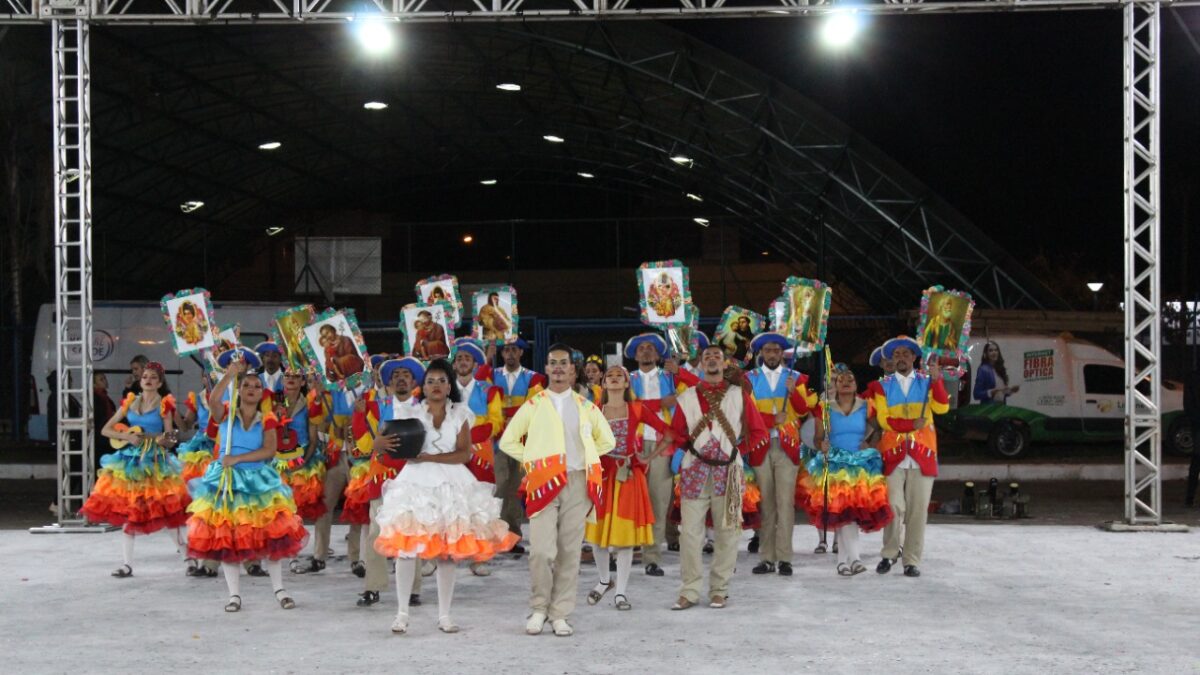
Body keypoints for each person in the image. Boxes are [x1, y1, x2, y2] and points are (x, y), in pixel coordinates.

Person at [375, 359, 519, 634]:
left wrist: (431, 457)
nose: (436, 385)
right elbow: (388, 443)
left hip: (453, 483)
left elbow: (465, 453)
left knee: (447, 553)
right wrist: (377, 443)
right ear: (423, 386)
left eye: (442, 380)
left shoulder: (461, 413)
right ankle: (401, 614)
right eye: (430, 381)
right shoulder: (411, 410)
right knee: (407, 551)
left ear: (449, 384)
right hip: (415, 485)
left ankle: (444, 615)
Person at [499, 343, 616, 637]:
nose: (559, 368)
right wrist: (533, 460)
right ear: (547, 369)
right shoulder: (534, 404)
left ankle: (560, 613)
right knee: (541, 551)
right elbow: (507, 441)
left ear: (573, 370)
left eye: (565, 363)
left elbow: (608, 441)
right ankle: (539, 608)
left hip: (578, 482)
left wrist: (588, 458)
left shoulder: (586, 406)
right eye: (554, 363)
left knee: (569, 551)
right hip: (543, 483)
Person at [186, 348, 308, 612]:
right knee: (229, 537)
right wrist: (229, 376)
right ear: (240, 390)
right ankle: (234, 595)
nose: (252, 388)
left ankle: (280, 590)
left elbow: (269, 451)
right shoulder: (227, 413)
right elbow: (214, 399)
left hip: (259, 481)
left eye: (256, 385)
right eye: (247, 385)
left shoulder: (268, 418)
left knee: (270, 538)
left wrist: (237, 460)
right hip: (227, 480)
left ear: (262, 391)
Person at [668, 342, 769, 610]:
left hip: (730, 471)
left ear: (724, 364)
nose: (712, 359)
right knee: (689, 533)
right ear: (701, 364)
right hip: (693, 471)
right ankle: (689, 591)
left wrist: (736, 451)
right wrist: (688, 452)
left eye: (717, 356)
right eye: (707, 356)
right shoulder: (687, 397)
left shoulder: (739, 395)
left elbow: (759, 432)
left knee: (728, 532)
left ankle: (719, 590)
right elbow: (677, 433)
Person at [81, 361, 188, 577]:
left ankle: (188, 558)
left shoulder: (165, 404)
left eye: (153, 377)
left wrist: (158, 439)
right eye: (145, 376)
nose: (148, 379)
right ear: (140, 381)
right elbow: (105, 430)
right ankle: (127, 564)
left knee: (166, 512)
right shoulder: (130, 402)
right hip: (129, 461)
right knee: (129, 511)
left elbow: (170, 438)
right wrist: (127, 436)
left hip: (154, 462)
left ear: (159, 383)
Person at [586, 365, 670, 611]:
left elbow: (667, 433)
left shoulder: (636, 408)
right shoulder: (593, 411)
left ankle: (620, 592)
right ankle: (604, 581)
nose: (613, 378)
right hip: (601, 476)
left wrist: (648, 456)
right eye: (609, 375)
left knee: (624, 539)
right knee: (596, 535)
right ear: (603, 382)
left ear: (625, 383)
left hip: (627, 477)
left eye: (618, 376)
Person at [349, 357, 426, 608]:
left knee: (411, 533)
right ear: (390, 382)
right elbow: (360, 445)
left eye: (406, 374)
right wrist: (366, 428)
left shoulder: (425, 408)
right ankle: (373, 587)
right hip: (382, 479)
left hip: (414, 480)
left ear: (414, 381)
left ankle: (413, 589)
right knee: (375, 535)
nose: (401, 378)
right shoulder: (373, 407)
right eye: (396, 375)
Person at [802, 364, 892, 575]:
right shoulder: (825, 409)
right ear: (835, 384)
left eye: (850, 379)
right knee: (843, 514)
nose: (845, 382)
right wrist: (820, 445)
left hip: (860, 466)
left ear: (856, 385)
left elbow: (878, 430)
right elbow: (816, 438)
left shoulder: (867, 406)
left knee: (849, 515)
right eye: (841, 380)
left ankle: (844, 562)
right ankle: (854, 560)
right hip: (835, 464)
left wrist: (870, 444)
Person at [872, 336, 949, 578]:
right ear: (891, 359)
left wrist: (937, 381)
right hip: (893, 453)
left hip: (923, 452)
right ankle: (889, 553)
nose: (901, 358)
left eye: (906, 354)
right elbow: (884, 419)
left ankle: (912, 560)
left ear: (915, 358)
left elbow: (942, 407)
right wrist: (910, 424)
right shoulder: (881, 386)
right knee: (894, 506)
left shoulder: (928, 382)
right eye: (897, 355)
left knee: (918, 510)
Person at [626, 332, 699, 576]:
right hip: (632, 446)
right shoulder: (626, 378)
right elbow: (621, 404)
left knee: (658, 502)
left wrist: (679, 371)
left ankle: (652, 558)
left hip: (663, 446)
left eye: (651, 348)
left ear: (658, 355)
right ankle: (625, 551)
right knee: (630, 501)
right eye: (641, 348)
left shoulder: (670, 376)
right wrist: (662, 403)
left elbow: (698, 389)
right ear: (635, 355)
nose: (646, 351)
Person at [745, 332, 817, 578]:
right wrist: (770, 420)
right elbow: (746, 414)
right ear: (761, 353)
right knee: (767, 504)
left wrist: (794, 392)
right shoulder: (749, 379)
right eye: (768, 350)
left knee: (785, 503)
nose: (772, 354)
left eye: (776, 350)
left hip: (787, 446)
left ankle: (785, 558)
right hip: (760, 446)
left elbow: (803, 409)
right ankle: (766, 557)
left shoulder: (796, 377)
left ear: (782, 353)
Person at [451, 337, 505, 576]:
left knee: (480, 504)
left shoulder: (489, 389)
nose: (463, 362)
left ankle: (480, 557)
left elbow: (496, 422)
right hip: (450, 451)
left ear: (474, 363)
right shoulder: (444, 388)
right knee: (449, 502)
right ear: (453, 364)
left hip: (480, 452)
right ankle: (444, 553)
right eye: (459, 358)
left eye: (467, 358)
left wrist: (466, 437)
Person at [492, 337, 546, 550]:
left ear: (521, 353)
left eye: (514, 350)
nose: (510, 354)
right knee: (499, 486)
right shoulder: (491, 374)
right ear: (502, 353)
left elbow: (535, 408)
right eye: (506, 350)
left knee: (515, 488)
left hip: (523, 442)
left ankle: (512, 536)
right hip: (497, 441)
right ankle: (496, 535)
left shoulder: (534, 378)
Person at [272, 368, 327, 523]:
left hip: (302, 462)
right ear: (282, 380)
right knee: (277, 512)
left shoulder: (309, 404)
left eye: (296, 376)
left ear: (302, 382)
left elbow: (313, 438)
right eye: (287, 376)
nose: (291, 379)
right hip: (276, 462)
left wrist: (303, 463)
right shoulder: (273, 402)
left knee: (296, 512)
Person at [92, 373, 116, 474]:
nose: (105, 381)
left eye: (105, 378)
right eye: (101, 379)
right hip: (100, 437)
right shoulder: (95, 398)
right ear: (94, 384)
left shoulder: (105, 397)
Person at [1184, 363, 1200, 506]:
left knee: (1196, 463)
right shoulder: (1193, 378)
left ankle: (1189, 498)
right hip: (1198, 424)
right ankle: (1189, 498)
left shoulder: (1192, 378)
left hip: (1197, 425)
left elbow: (1188, 404)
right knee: (1196, 462)